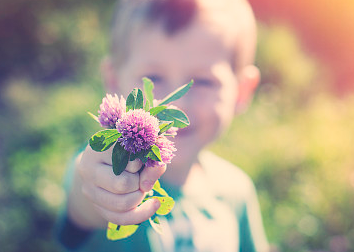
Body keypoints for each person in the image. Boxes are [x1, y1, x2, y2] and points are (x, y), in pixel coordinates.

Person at [57, 0, 270, 251]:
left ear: (241, 91)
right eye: (154, 78)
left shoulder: (237, 189)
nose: (175, 107)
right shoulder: (102, 168)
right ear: (113, 81)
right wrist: (104, 195)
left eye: (202, 82)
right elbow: (86, 200)